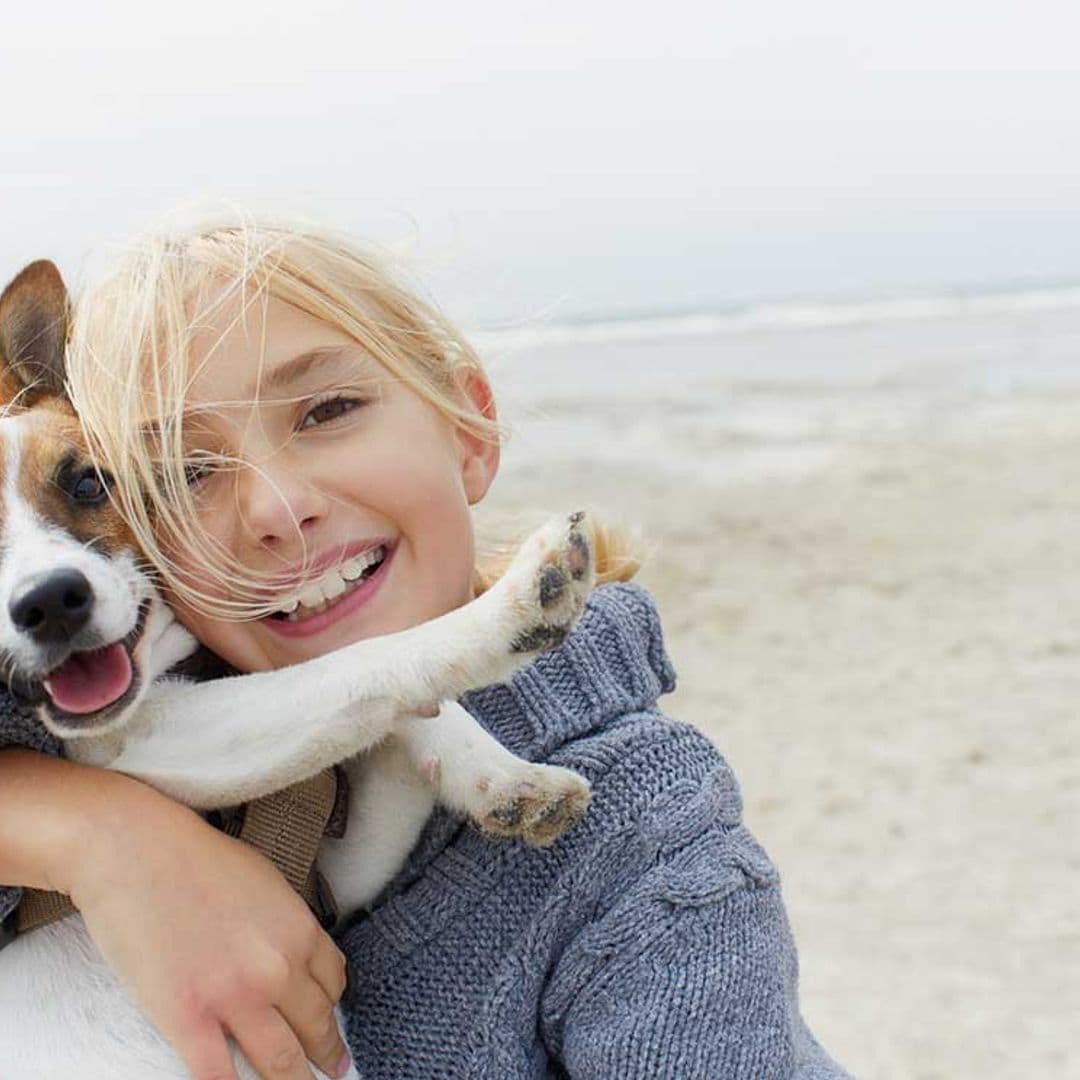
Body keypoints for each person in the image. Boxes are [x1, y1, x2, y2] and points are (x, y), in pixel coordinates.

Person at [0, 212, 852, 1079]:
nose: (276, 509)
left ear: (472, 431)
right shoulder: (96, 711)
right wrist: (87, 837)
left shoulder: (649, 848)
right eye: (183, 473)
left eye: (327, 409)